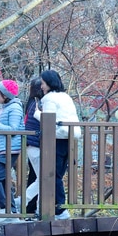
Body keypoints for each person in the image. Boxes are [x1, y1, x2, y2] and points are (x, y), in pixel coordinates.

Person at [39, 69, 79, 220]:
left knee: (52, 174)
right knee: (58, 175)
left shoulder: (49, 98)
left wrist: (37, 114)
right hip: (70, 138)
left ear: (48, 83)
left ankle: (60, 209)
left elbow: (48, 121)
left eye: (42, 83)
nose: (41, 86)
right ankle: (60, 209)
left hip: (57, 138)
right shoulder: (65, 96)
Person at [0, 79, 26, 213]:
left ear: (5, 95)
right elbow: (2, 128)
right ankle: (12, 210)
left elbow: (13, 130)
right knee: (2, 180)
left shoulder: (15, 107)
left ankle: (5, 208)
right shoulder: (6, 108)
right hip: (3, 149)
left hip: (10, 149)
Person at [23, 78, 45, 213]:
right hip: (36, 145)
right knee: (44, 179)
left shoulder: (31, 103)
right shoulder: (40, 104)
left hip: (31, 145)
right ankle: (21, 204)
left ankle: (32, 208)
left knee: (39, 178)